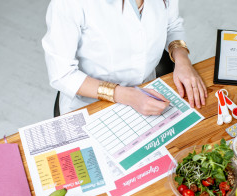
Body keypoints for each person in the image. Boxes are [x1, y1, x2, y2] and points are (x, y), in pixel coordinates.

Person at [42, 0, 207, 116]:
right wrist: (127, 95)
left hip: (147, 92)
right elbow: (62, 74)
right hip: (91, 104)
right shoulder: (70, 3)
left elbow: (172, 25)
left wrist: (182, 60)